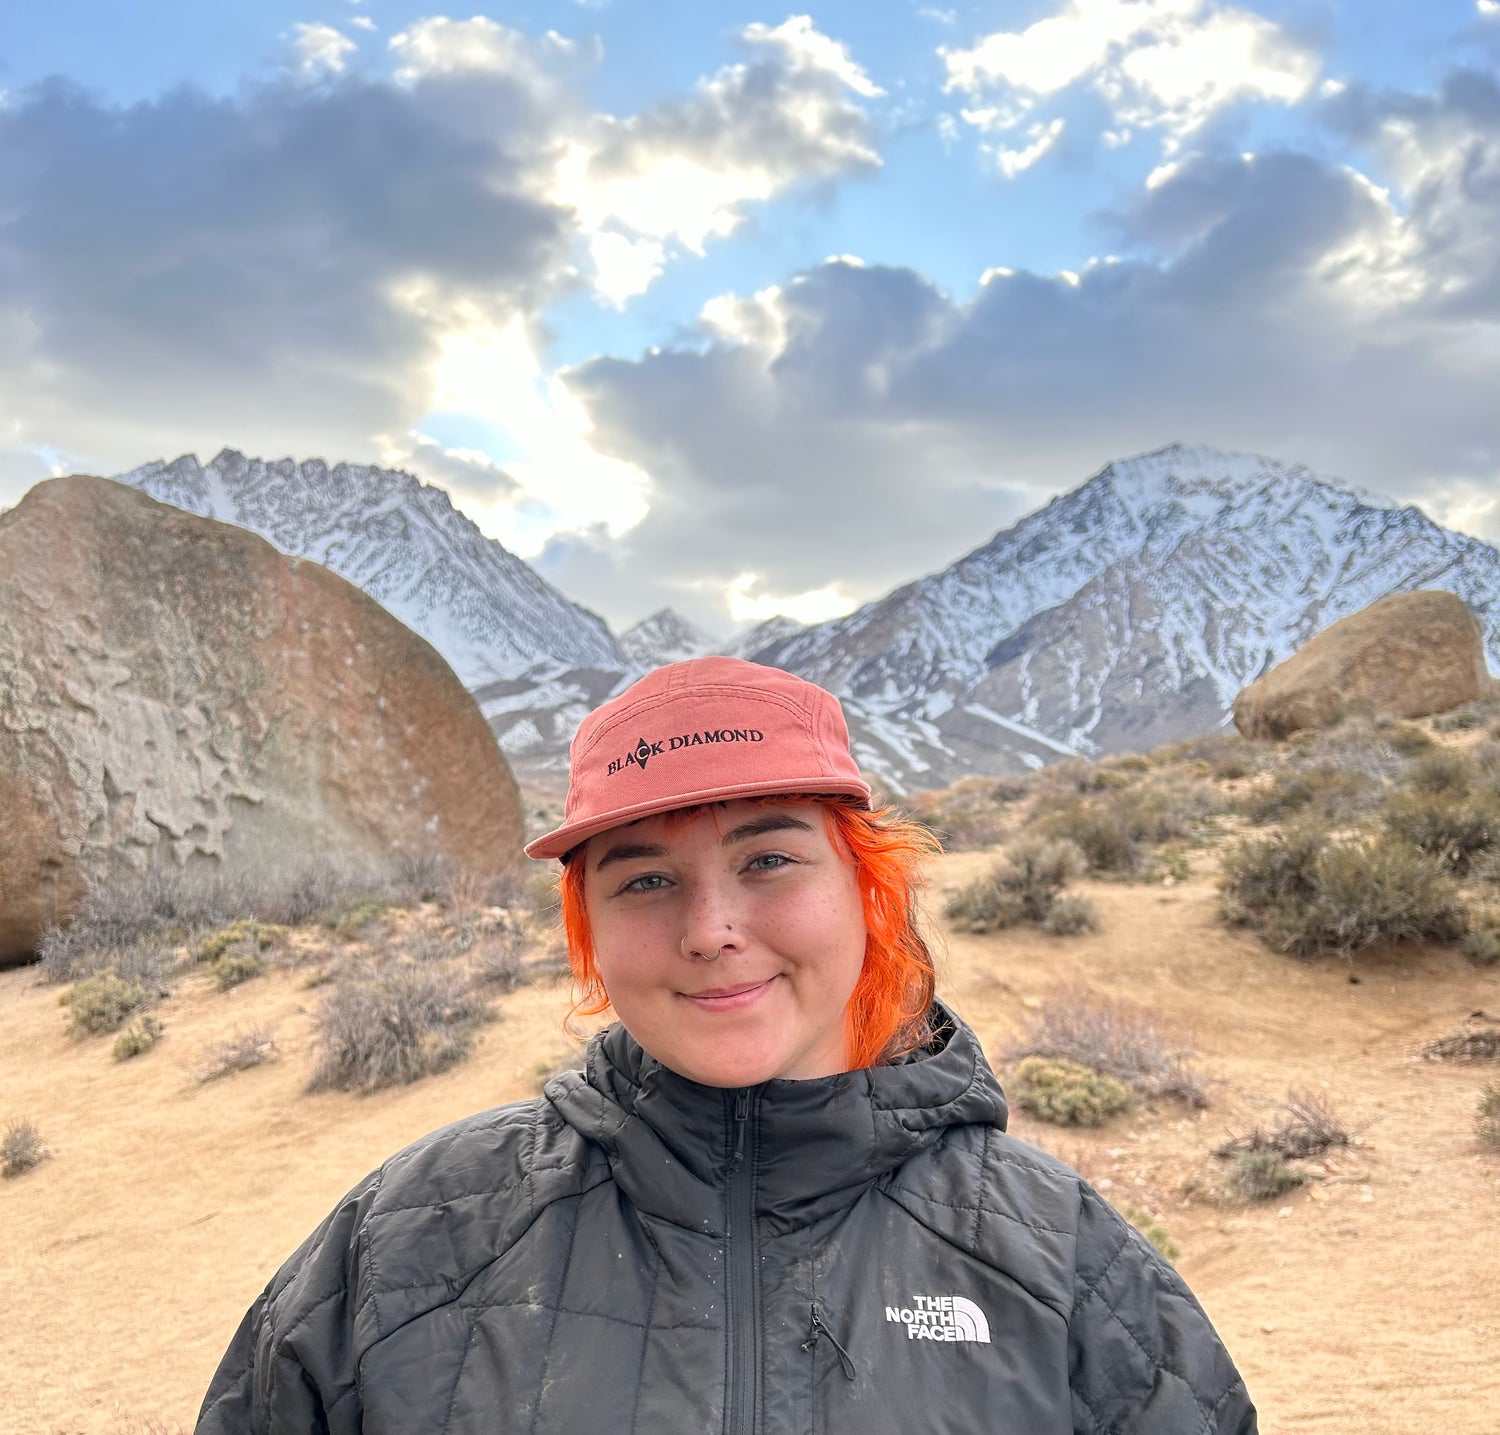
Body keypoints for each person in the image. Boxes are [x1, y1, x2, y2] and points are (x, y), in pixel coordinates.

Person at [196, 656, 1257, 1434]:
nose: (710, 929)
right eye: (646, 879)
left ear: (868, 889)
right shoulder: (410, 1241)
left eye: (769, 860)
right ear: (588, 928)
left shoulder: (1061, 1259)